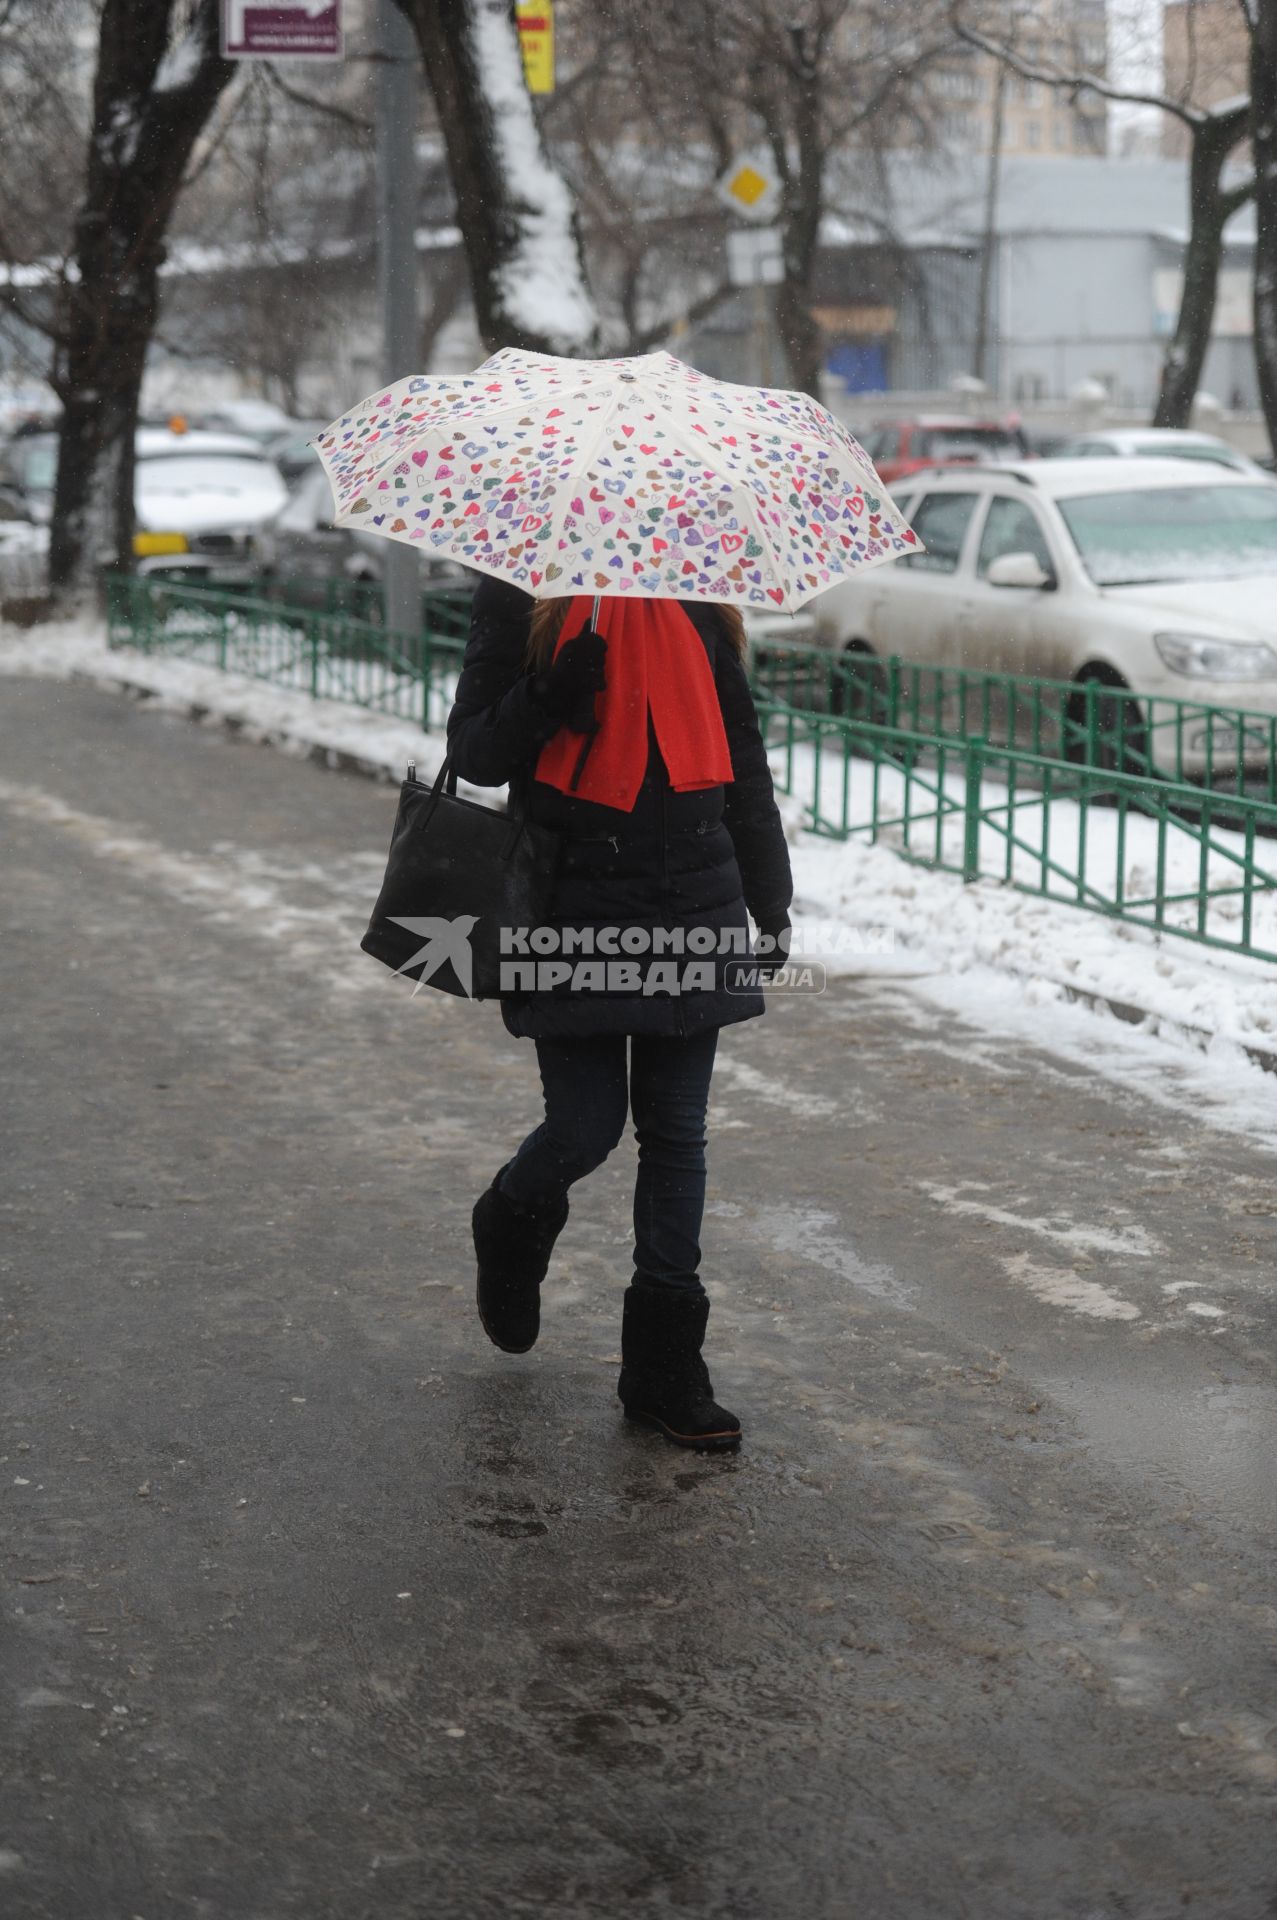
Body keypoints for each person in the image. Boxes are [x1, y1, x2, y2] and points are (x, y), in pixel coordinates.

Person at [445, 577, 793, 1452]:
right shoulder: (519, 597)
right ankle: (511, 1214)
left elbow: (739, 753)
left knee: (677, 1132)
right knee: (585, 1128)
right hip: (571, 899)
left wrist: (769, 891)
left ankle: (665, 1370)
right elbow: (477, 752)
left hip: (694, 892)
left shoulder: (697, 599)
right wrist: (550, 693)